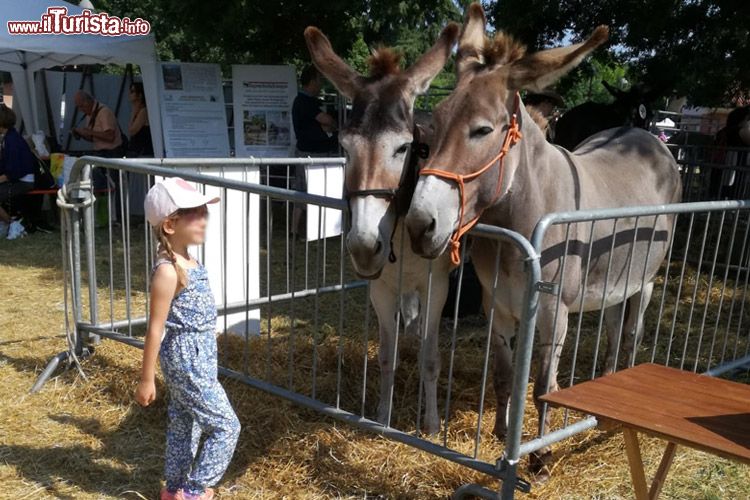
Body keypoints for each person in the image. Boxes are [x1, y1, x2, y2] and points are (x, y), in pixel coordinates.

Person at [136, 177, 241, 500]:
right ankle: (195, 492)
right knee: (226, 426)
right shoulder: (168, 271)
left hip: (201, 351)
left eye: (203, 211)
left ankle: (174, 489)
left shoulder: (190, 262)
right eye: (194, 213)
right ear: (170, 224)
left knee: (185, 423)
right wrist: (146, 378)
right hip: (186, 355)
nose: (204, 218)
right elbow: (155, 327)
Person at [290, 65, 338, 238]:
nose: (321, 85)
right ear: (312, 81)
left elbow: (326, 122)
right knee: (306, 191)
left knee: (307, 191)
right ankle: (299, 230)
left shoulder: (306, 101)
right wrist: (330, 124)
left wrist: (327, 124)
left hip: (312, 152)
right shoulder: (305, 102)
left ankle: (301, 230)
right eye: (319, 80)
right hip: (310, 154)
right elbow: (326, 120)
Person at [0, 104, 36, 239]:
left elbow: (12, 172)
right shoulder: (10, 138)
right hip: (19, 179)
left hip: (23, 181)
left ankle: (13, 224)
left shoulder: (12, 141)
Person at [127, 82, 154, 157]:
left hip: (143, 152)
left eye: (132, 91)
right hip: (137, 151)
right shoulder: (138, 110)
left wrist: (134, 113)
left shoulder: (143, 111)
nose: (129, 94)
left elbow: (132, 131)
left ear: (140, 95)